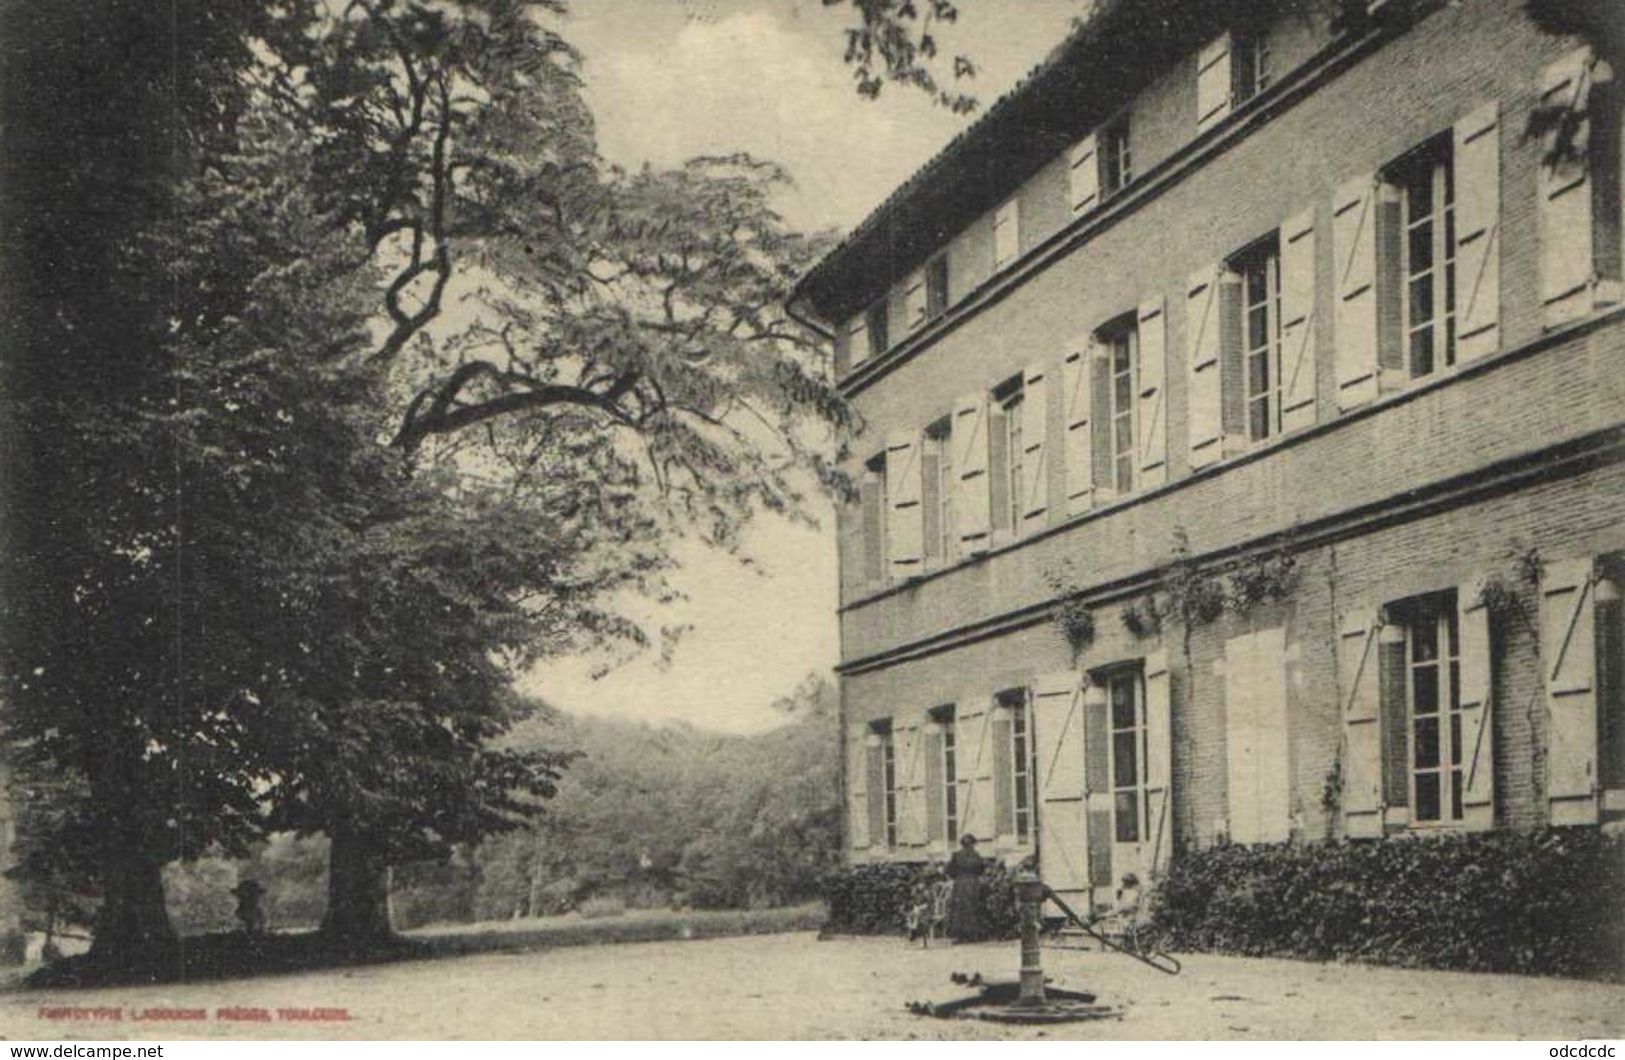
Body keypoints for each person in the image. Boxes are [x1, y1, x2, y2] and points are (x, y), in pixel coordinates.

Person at [944, 834, 987, 943]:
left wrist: (958, 876)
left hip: (960, 884)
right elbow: (981, 870)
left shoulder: (957, 855)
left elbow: (950, 870)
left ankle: (961, 935)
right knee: (973, 908)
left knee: (960, 910)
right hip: (973, 884)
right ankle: (974, 934)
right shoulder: (977, 856)